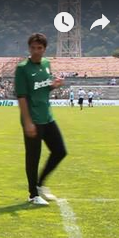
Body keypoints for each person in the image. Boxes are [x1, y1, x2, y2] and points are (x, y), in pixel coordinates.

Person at [14, 33, 68, 206]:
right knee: (33, 157)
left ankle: (40, 184)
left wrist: (54, 85)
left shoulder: (46, 64)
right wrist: (27, 121)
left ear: (45, 49)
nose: (36, 51)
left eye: (39, 48)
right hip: (33, 120)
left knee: (60, 151)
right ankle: (33, 194)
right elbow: (21, 97)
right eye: (33, 48)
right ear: (29, 48)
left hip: (47, 117)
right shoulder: (22, 68)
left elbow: (44, 88)